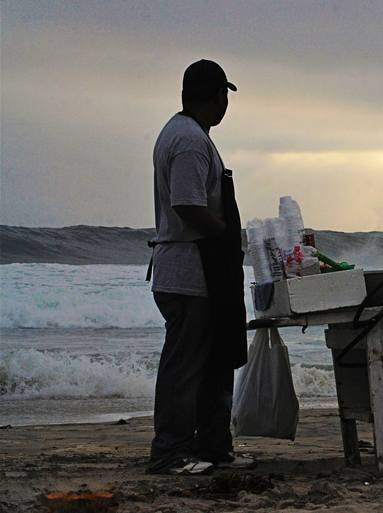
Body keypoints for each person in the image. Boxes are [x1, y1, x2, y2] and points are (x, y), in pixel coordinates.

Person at [147, 59, 250, 475]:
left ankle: (211, 447)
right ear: (211, 98)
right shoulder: (189, 141)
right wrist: (223, 233)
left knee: (208, 364)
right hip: (189, 273)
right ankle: (170, 453)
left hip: (194, 272)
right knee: (184, 368)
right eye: (223, 95)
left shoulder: (186, 133)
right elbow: (187, 204)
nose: (226, 103)